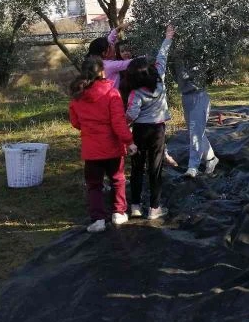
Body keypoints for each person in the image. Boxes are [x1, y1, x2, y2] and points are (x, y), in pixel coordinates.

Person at [69, 56, 137, 233]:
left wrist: (89, 128)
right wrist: (129, 141)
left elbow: (75, 122)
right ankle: (119, 212)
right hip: (112, 146)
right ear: (102, 72)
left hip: (91, 148)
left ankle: (98, 219)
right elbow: (118, 123)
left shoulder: (78, 95)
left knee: (94, 184)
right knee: (117, 179)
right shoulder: (112, 93)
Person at [124, 25, 174, 220]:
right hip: (157, 131)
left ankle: (135, 207)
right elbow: (162, 56)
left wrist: (124, 125)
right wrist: (168, 37)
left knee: (137, 168)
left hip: (139, 131)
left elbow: (132, 114)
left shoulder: (136, 93)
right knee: (155, 168)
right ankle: (154, 209)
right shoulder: (159, 78)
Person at [173, 60, 219, 178]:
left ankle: (193, 167)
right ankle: (211, 159)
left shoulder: (198, 57)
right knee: (195, 132)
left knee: (195, 133)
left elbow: (206, 76)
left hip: (198, 96)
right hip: (186, 97)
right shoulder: (177, 59)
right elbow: (177, 78)